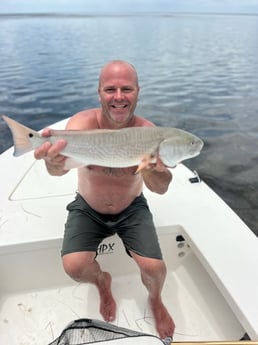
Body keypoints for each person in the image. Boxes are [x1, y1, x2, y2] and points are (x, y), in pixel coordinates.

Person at [34, 60, 175, 339]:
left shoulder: (148, 132)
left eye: (127, 89)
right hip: (89, 207)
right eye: (110, 89)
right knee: (74, 267)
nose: (119, 97)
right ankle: (102, 280)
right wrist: (51, 162)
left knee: (155, 268)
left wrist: (152, 170)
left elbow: (160, 188)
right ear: (99, 91)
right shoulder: (81, 126)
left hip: (131, 207)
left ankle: (156, 300)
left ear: (138, 91)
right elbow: (57, 169)